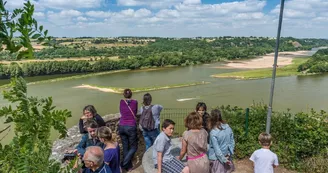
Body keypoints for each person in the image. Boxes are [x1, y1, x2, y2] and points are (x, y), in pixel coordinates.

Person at [119, 88, 138, 172]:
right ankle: (123, 164)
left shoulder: (121, 102)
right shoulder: (135, 102)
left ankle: (128, 167)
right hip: (130, 127)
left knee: (125, 147)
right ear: (131, 94)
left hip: (122, 126)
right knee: (134, 147)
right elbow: (136, 112)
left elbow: (120, 111)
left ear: (124, 95)